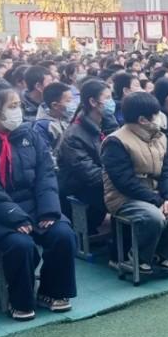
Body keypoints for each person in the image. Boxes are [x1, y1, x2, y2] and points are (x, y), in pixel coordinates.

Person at [0, 80, 77, 320]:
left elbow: (46, 174)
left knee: (63, 234)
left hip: (35, 206)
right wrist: (14, 216)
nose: (18, 111)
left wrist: (48, 210)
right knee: (20, 244)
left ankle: (52, 291)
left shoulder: (30, 134)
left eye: (18, 105)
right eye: (12, 106)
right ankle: (21, 301)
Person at [102, 92, 168, 274]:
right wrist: (158, 201)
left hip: (156, 192)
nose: (160, 117)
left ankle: (162, 253)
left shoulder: (160, 137)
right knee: (153, 216)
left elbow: (167, 171)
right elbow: (124, 182)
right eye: (156, 114)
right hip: (124, 198)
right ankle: (137, 257)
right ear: (142, 120)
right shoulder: (115, 141)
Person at [58, 79, 111, 234]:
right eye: (107, 98)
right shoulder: (73, 136)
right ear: (93, 102)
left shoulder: (108, 123)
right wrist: (119, 177)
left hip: (106, 182)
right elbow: (89, 175)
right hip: (83, 189)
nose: (111, 102)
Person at [34, 82, 76, 159]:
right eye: (68, 101)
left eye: (72, 100)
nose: (73, 104)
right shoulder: (42, 126)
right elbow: (45, 154)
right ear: (55, 105)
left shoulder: (69, 118)